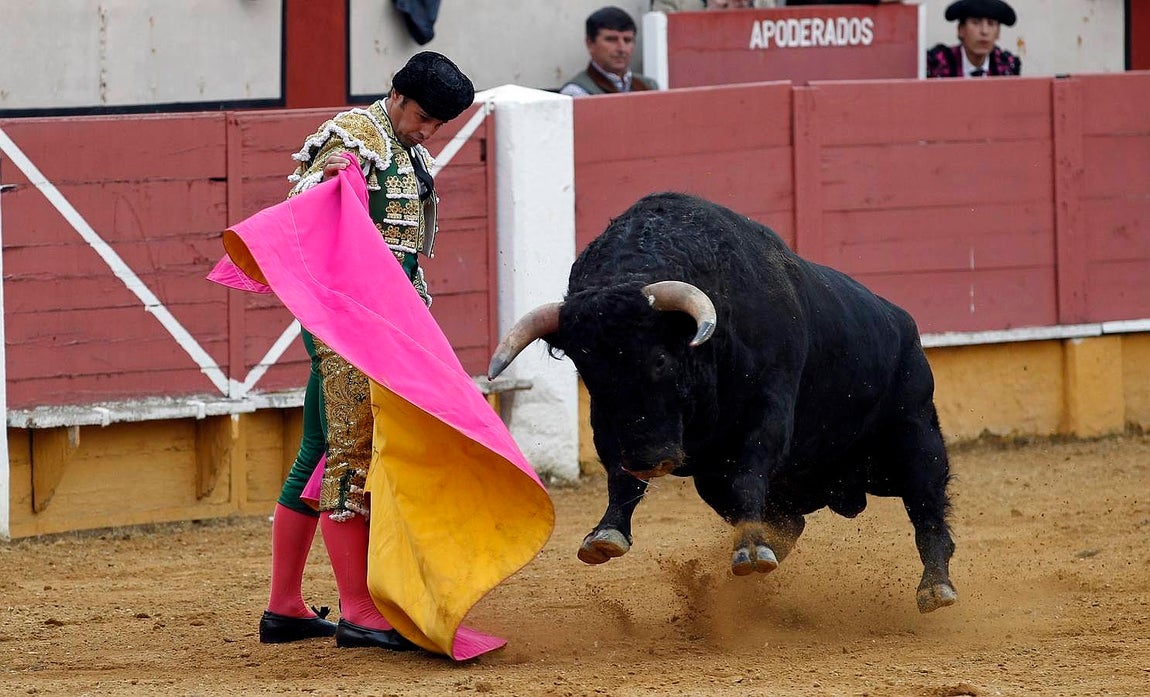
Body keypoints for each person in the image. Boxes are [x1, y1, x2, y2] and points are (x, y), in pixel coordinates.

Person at [257, 50, 475, 650]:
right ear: (398, 94)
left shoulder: (407, 150)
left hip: (387, 318)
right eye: (424, 117)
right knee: (352, 453)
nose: (428, 131)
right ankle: (357, 610)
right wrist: (332, 182)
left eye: (439, 124)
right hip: (347, 319)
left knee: (319, 448)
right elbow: (310, 211)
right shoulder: (350, 136)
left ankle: (285, 608)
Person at [559, 6, 659, 97]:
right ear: (590, 44)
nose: (622, 49)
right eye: (611, 39)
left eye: (627, 40)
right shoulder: (576, 92)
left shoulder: (649, 85)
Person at [926, 0, 1021, 78]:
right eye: (976, 23)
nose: (984, 31)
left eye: (991, 23)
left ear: (998, 33)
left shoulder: (1007, 66)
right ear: (960, 30)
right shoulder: (938, 63)